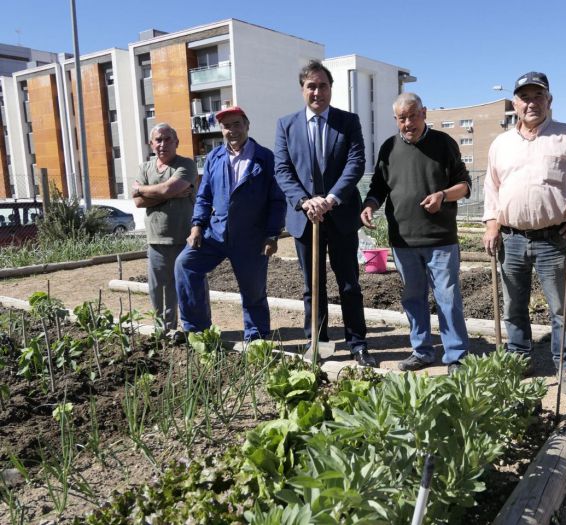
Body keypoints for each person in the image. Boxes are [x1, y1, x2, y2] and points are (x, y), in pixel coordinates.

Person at [482, 72, 566, 396]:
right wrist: (491, 224)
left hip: (553, 238)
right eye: (524, 97)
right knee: (514, 305)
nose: (531, 102)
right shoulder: (501, 143)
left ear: (549, 100)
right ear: (515, 103)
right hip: (511, 238)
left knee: (560, 308)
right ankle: (518, 357)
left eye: (538, 96)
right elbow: (492, 186)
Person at [274, 60, 376, 367]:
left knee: (349, 284)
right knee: (311, 286)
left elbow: (355, 163)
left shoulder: (348, 122)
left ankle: (357, 344)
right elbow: (282, 169)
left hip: (341, 216)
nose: (317, 92)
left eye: (323, 86)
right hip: (306, 219)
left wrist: (329, 199)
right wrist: (306, 202)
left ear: (331, 89)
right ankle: (317, 342)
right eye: (311, 86)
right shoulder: (286, 125)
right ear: (302, 89)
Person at [361, 92, 471, 373]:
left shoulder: (444, 144)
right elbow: (378, 186)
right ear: (396, 120)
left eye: (413, 115)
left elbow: (465, 185)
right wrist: (370, 205)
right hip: (403, 240)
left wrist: (443, 195)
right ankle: (421, 350)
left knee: (448, 298)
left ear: (424, 113)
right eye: (402, 118)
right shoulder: (388, 148)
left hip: (441, 240)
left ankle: (456, 355)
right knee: (412, 298)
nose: (408, 122)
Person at [175, 106, 286, 340]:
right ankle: (197, 330)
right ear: (221, 130)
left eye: (237, 124)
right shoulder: (215, 157)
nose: (232, 130)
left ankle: (256, 340)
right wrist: (197, 226)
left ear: (247, 125)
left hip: (251, 238)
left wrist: (272, 235)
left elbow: (277, 200)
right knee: (185, 264)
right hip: (215, 234)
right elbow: (204, 196)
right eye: (227, 126)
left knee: (253, 292)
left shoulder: (265, 158)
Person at [133, 123, 196, 339]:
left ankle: (193, 330)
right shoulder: (145, 168)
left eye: (168, 139)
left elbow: (169, 188)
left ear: (176, 142)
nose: (163, 144)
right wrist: (164, 192)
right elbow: (138, 202)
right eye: (158, 140)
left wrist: (144, 189)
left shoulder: (186, 164)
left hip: (185, 238)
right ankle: (165, 330)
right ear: (151, 144)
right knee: (158, 289)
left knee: (186, 286)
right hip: (156, 239)